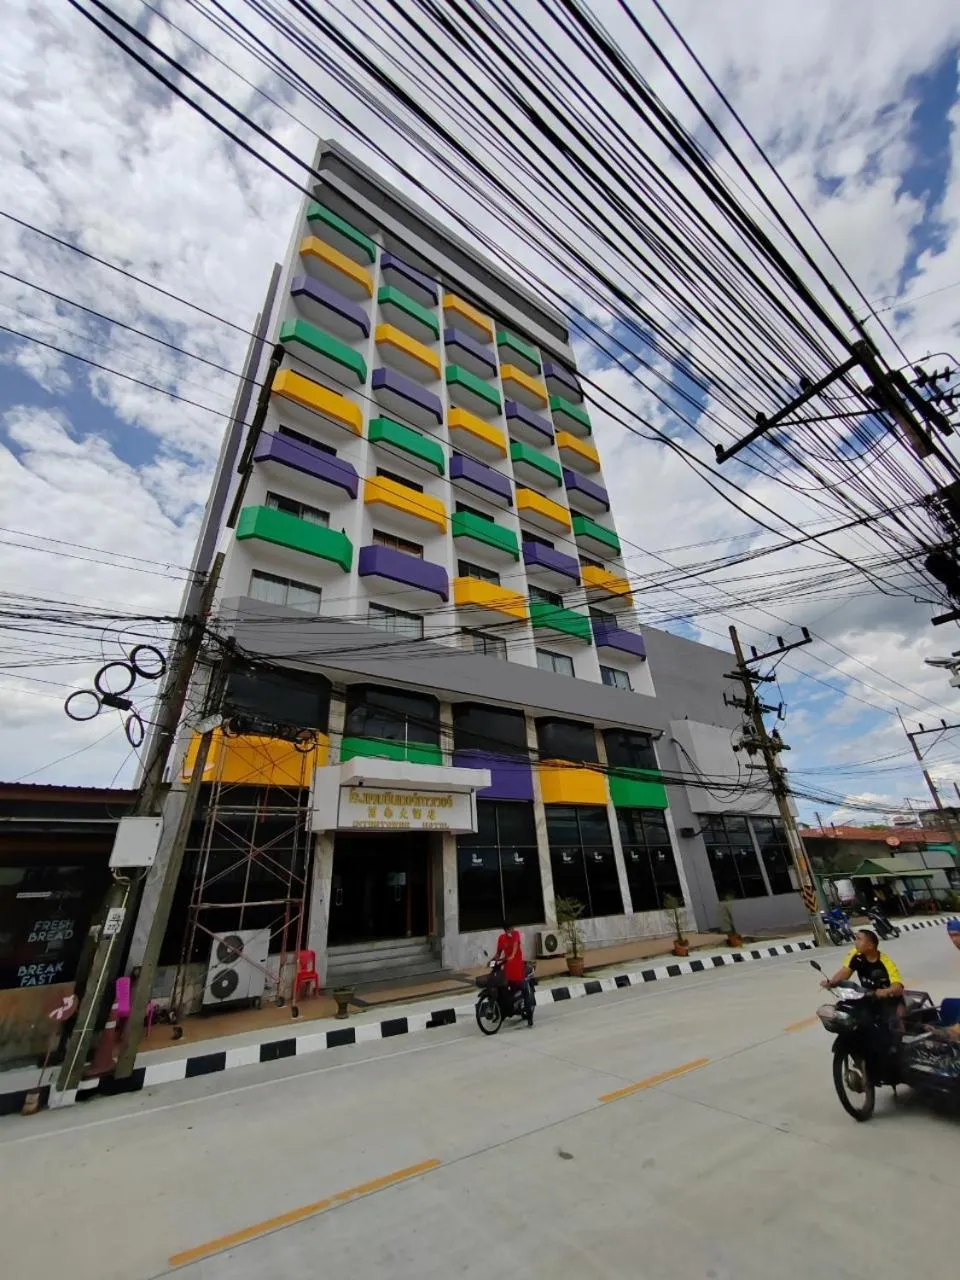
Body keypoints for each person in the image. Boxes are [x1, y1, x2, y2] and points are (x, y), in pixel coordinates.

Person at [820, 928, 904, 999]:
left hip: (888, 999)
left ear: (870, 946)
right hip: (867, 996)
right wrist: (832, 982)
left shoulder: (886, 962)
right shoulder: (855, 954)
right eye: (855, 939)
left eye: (859, 939)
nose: (855, 942)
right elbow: (845, 971)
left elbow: (897, 985)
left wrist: (887, 991)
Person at [494, 921, 533, 1026]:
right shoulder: (501, 938)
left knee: (524, 989)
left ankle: (529, 1016)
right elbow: (498, 953)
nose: (513, 929)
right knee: (504, 988)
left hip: (517, 966)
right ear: (506, 929)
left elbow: (515, 946)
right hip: (508, 967)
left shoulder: (516, 934)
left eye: (513, 928)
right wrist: (493, 960)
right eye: (511, 928)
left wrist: (512, 955)